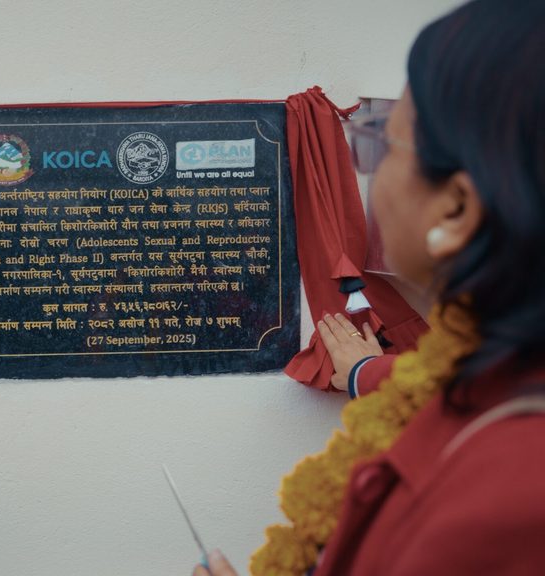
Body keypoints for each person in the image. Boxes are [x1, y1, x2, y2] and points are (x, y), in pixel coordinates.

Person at [195, 0, 545, 573]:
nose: (369, 174)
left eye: (380, 144)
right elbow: (435, 394)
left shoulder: (507, 503)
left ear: (455, 208)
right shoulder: (491, 379)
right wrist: (361, 371)